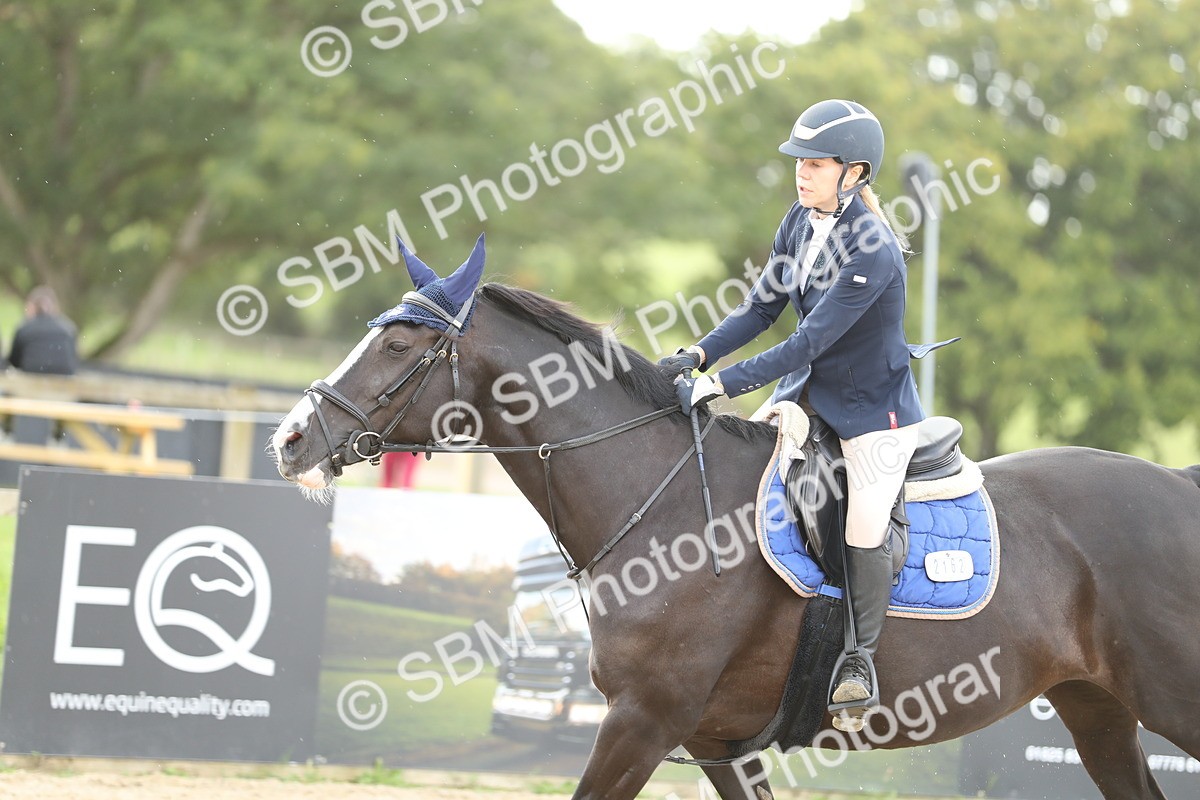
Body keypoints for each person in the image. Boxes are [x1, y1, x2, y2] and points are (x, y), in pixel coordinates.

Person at [661, 99, 940, 731]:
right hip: (808, 394)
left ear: (855, 172)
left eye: (815, 163)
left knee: (863, 526)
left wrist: (721, 384)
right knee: (740, 475)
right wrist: (697, 354)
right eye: (799, 162)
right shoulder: (797, 221)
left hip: (872, 413)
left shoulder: (873, 248)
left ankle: (858, 662)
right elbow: (762, 309)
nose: (801, 172)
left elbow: (809, 340)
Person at [10, 286, 78, 375]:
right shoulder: (69, 329)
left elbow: (14, 362)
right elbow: (73, 360)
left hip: (31, 379)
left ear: (32, 307)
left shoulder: (24, 329)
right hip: (66, 380)